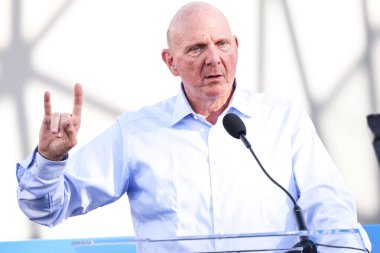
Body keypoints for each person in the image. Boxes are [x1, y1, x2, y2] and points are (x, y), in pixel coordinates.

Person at [17, 2, 371, 252]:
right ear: (170, 62)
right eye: (197, 48)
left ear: (236, 47)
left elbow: (331, 214)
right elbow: (47, 209)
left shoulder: (283, 121)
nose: (213, 59)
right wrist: (49, 161)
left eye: (221, 44)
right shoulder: (137, 133)